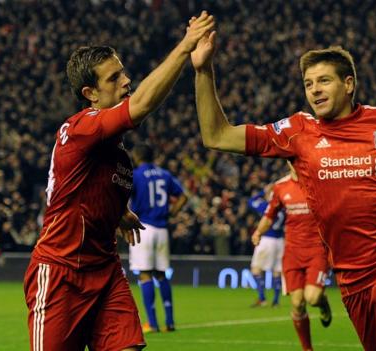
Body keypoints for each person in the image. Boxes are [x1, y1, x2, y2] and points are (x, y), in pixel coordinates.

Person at [191, 34, 376, 350]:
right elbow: (217, 136)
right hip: (352, 277)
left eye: (323, 81)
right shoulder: (296, 131)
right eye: (308, 84)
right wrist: (203, 71)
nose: (314, 90)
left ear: (348, 84)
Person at [23, 12, 214, 351]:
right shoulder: (81, 127)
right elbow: (140, 106)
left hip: (105, 270)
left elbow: (83, 187)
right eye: (114, 78)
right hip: (60, 273)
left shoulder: (120, 157)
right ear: (90, 93)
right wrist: (185, 47)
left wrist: (119, 212)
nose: (126, 81)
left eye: (123, 71)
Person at [252, 161, 331, 351]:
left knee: (312, 298)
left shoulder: (319, 182)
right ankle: (307, 348)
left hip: (316, 251)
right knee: (297, 303)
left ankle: (323, 304)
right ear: (289, 162)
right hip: (292, 253)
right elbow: (269, 214)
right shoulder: (281, 187)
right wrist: (258, 232)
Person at [128, 143, 188, 333]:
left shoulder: (136, 175)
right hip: (162, 229)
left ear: (137, 156)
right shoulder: (164, 174)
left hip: (143, 228)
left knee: (145, 275)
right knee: (161, 274)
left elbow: (123, 199)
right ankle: (170, 322)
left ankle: (152, 323)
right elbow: (182, 197)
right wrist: (171, 213)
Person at [247, 185, 285, 307]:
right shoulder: (284, 208)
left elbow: (251, 202)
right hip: (280, 241)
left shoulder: (266, 206)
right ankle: (276, 301)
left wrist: (263, 191)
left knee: (256, 269)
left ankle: (262, 298)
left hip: (267, 239)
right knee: (277, 271)